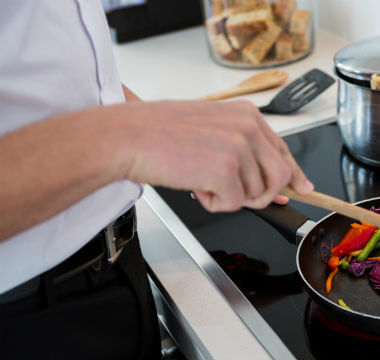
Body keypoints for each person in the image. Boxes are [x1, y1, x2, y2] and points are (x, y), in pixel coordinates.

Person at [0, 1, 313, 359]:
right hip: (24, 316)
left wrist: (179, 138)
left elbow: (51, 73)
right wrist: (133, 136)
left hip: (115, 267)